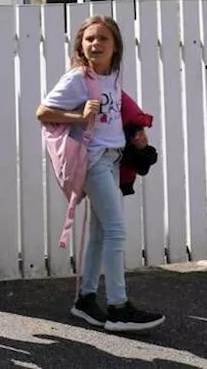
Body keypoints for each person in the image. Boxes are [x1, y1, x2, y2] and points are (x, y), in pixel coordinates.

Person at [37, 16, 165, 333]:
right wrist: (79, 117)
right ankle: (119, 307)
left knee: (99, 233)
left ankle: (86, 299)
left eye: (103, 39)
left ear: (115, 46)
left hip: (112, 159)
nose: (95, 44)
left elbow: (115, 114)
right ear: (81, 45)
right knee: (116, 230)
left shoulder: (112, 78)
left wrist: (135, 134)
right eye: (89, 39)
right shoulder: (78, 78)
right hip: (92, 160)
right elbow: (43, 112)